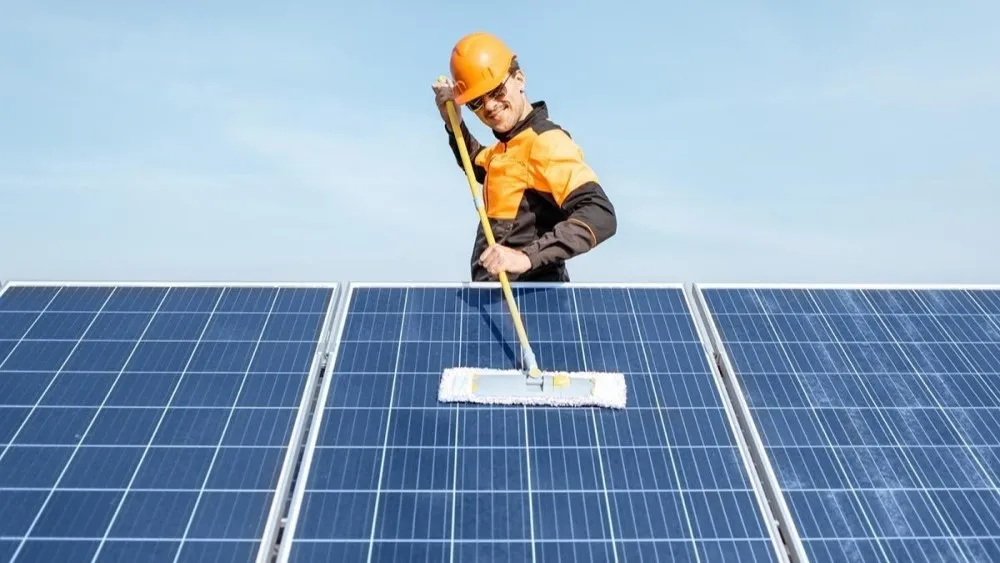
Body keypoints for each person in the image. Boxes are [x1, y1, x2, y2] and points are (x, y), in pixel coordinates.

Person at [432, 31, 617, 282]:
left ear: (519, 79)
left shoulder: (547, 142)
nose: (489, 106)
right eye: (476, 101)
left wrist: (526, 257)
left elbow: (599, 213)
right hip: (497, 303)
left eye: (496, 91)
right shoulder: (507, 148)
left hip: (534, 306)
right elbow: (478, 164)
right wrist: (454, 124)